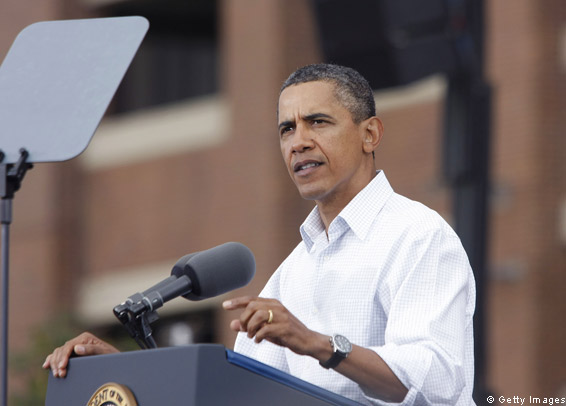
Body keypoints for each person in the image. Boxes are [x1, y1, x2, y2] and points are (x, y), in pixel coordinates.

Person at [43, 64, 476, 405]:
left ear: (370, 134)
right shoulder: (292, 272)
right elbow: (233, 397)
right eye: (287, 129)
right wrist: (127, 377)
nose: (298, 142)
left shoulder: (418, 235)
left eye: (318, 122)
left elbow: (436, 381)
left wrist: (317, 344)